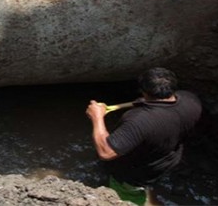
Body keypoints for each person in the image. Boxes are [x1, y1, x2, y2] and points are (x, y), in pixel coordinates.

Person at [86, 67, 202, 206]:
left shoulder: (140, 121)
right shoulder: (191, 100)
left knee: (127, 196)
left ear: (143, 90)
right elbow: (152, 103)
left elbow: (106, 152)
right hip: (166, 160)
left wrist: (97, 117)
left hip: (133, 174)